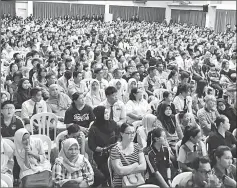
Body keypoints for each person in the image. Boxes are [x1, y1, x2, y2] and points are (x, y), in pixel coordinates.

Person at [88, 106, 120, 185]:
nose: (107, 115)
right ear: (99, 115)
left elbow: (119, 136)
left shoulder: (112, 123)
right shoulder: (93, 129)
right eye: (105, 113)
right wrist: (104, 149)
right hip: (101, 155)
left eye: (107, 113)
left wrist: (117, 144)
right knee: (108, 170)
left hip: (116, 151)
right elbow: (92, 146)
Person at [110, 123, 147, 187]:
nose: (132, 135)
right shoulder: (115, 149)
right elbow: (120, 171)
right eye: (129, 133)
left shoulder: (137, 147)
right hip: (121, 183)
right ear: (122, 134)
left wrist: (125, 170)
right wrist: (135, 165)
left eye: (133, 132)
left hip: (137, 181)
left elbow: (143, 167)